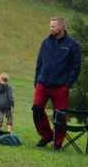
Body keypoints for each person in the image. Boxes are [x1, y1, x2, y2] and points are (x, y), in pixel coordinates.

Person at [33, 17, 82, 150]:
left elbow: (76, 66)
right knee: (37, 109)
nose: (51, 29)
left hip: (61, 86)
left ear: (61, 27)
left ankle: (57, 142)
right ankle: (46, 135)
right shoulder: (46, 43)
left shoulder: (72, 45)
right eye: (50, 26)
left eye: (53, 26)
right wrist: (36, 81)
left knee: (60, 115)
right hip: (43, 83)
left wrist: (67, 84)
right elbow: (39, 62)